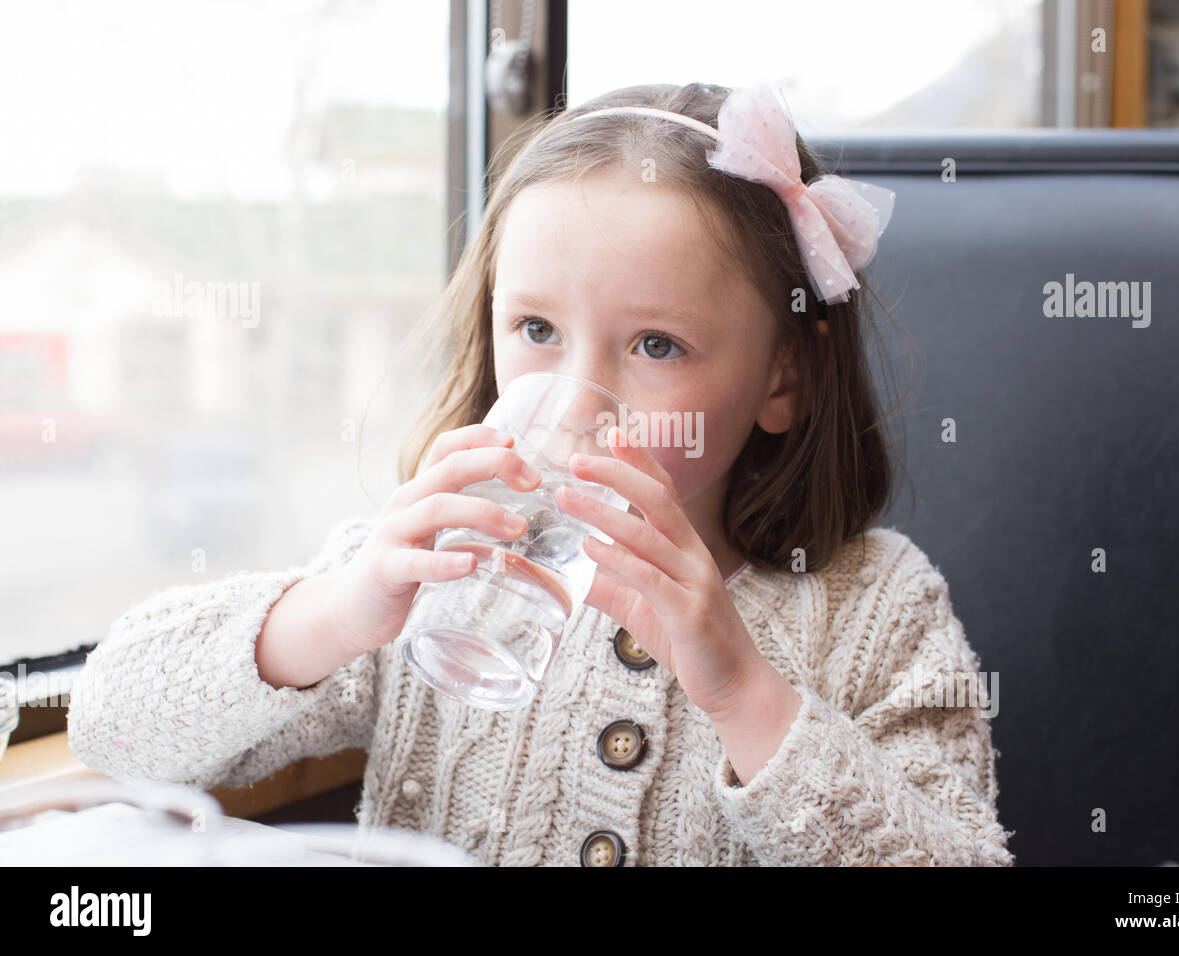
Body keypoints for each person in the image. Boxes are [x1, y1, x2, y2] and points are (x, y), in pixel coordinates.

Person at [67, 82, 1015, 866]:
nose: (577, 396)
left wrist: (743, 693)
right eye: (536, 331)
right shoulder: (434, 566)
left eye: (656, 343)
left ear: (784, 377)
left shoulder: (876, 610)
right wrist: (339, 608)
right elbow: (110, 727)